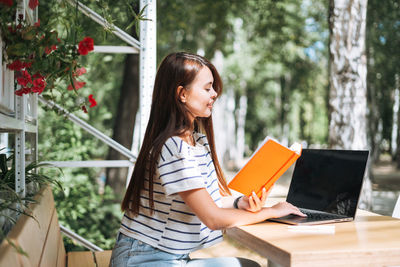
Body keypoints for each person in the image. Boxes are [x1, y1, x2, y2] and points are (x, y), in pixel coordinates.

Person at [109, 52, 305, 267]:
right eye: (207, 88)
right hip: (142, 259)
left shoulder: (197, 143)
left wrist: (240, 203)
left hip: (169, 257)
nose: (214, 94)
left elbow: (206, 199)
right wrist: (273, 211)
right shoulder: (174, 148)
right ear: (182, 94)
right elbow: (212, 218)